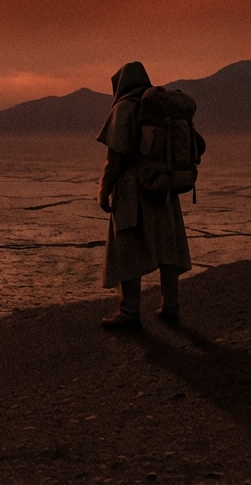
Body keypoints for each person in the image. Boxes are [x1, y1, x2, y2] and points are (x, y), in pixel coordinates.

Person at [96, 61, 192, 329]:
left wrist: (103, 191)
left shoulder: (124, 108)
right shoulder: (162, 108)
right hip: (164, 186)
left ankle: (129, 313)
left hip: (132, 189)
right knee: (167, 244)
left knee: (127, 247)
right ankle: (170, 306)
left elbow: (114, 159)